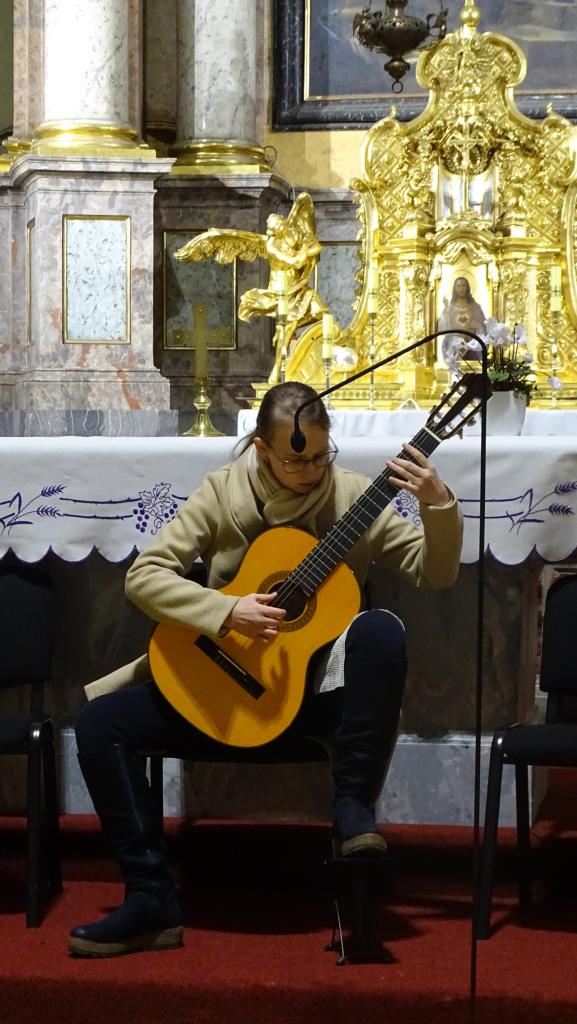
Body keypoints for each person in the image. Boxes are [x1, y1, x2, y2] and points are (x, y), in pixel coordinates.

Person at [68, 381, 463, 958]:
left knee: (381, 630)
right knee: (99, 725)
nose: (310, 471)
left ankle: (352, 810)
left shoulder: (356, 497)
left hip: (310, 699)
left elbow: (436, 572)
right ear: (260, 448)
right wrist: (227, 611)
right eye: (294, 459)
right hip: (224, 688)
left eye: (321, 456)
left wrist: (437, 502)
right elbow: (144, 577)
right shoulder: (222, 491)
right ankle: (150, 897)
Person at [438, 276, 486, 364]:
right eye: (458, 286)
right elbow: (442, 329)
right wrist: (446, 308)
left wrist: (478, 326)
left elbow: (484, 329)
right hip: (454, 348)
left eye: (464, 285)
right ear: (454, 289)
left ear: (467, 288)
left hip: (472, 347)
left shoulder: (475, 308)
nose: (461, 289)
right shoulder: (449, 308)